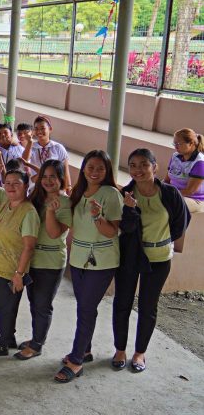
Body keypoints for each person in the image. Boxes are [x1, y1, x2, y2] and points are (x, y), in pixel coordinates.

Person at [113, 149, 190, 373]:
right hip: (130, 257)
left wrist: (162, 240)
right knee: (122, 303)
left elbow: (181, 222)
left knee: (148, 306)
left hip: (159, 258)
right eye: (133, 165)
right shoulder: (126, 193)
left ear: (155, 167)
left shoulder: (169, 193)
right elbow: (125, 228)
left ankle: (139, 352)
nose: (138, 170)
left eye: (144, 164)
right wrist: (129, 209)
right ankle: (120, 349)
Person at [55, 150, 122, 384]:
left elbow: (112, 231)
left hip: (101, 261)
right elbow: (70, 223)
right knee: (84, 308)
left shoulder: (111, 194)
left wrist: (97, 217)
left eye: (100, 168)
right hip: (79, 257)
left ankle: (76, 360)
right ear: (83, 168)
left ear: (107, 172)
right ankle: (85, 349)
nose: (95, 172)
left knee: (85, 308)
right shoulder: (78, 193)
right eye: (91, 167)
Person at [0, 168, 40, 357]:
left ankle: (3, 343)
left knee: (6, 307)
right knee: (2, 305)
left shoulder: (28, 212)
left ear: (26, 186)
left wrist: (19, 274)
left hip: (12, 270)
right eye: (8, 183)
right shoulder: (7, 201)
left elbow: (29, 246)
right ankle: (7, 336)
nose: (11, 187)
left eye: (17, 183)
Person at [15, 159, 71, 360]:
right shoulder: (36, 198)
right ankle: (35, 338)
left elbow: (54, 232)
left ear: (61, 179)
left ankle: (37, 345)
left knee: (43, 304)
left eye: (53, 177)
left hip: (51, 261)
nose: (48, 181)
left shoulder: (65, 203)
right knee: (33, 302)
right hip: (32, 259)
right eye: (44, 177)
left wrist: (50, 211)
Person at [165, 128, 204, 214]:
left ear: (191, 143)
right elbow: (167, 180)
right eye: (174, 143)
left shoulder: (199, 162)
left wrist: (169, 195)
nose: (175, 147)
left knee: (167, 206)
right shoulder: (175, 156)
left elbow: (190, 191)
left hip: (193, 199)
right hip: (174, 192)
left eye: (178, 143)